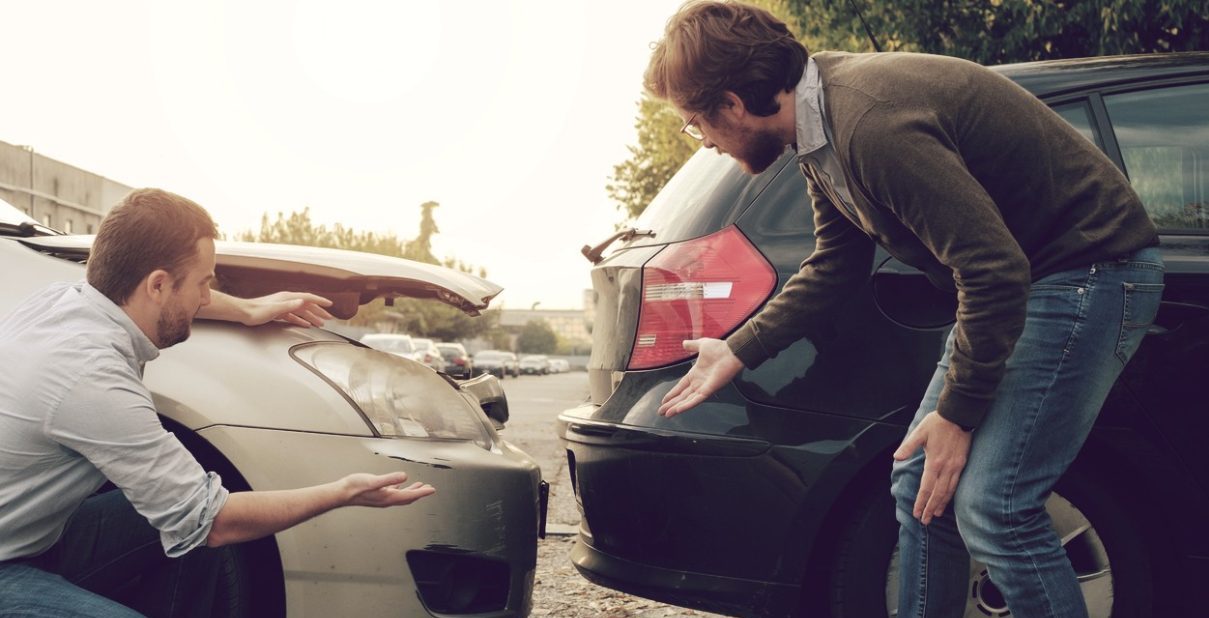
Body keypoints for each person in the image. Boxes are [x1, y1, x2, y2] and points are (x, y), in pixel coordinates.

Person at [647, 2, 1163, 616]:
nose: (701, 141)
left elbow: (993, 269)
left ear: (732, 103)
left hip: (1087, 272)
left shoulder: (871, 124)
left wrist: (958, 414)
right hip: (1028, 283)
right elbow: (835, 266)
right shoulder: (819, 132)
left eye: (693, 123)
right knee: (922, 483)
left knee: (994, 508)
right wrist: (738, 349)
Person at [0, 188, 437, 617]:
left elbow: (194, 519)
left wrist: (246, 310)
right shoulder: (90, 375)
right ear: (157, 285)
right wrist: (341, 493)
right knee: (203, 522)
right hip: (7, 569)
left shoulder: (63, 302)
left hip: (36, 541)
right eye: (203, 284)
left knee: (181, 521)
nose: (206, 298)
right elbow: (215, 521)